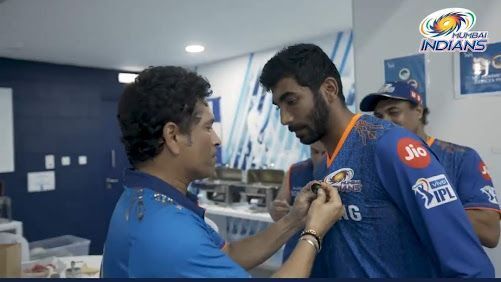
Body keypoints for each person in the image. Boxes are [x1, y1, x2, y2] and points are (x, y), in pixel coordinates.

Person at [259, 43, 494, 277]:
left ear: (329, 89)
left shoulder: (391, 146)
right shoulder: (323, 168)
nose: (284, 118)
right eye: (278, 106)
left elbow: (470, 266)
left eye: (291, 101)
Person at [101, 66, 344, 278]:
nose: (217, 140)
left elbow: (227, 255)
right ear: (173, 136)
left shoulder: (143, 200)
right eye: (208, 127)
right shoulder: (171, 234)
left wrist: (294, 220)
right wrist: (313, 232)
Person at [359, 81, 500, 248]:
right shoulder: (371, 160)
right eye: (379, 117)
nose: (385, 122)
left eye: (393, 112)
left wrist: (418, 204)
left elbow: (489, 232)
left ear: (418, 111)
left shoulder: (460, 158)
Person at [268, 142, 326, 262]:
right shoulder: (295, 170)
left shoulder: (345, 175)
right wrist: (276, 210)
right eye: (314, 152)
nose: (319, 159)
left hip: (329, 255)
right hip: (295, 252)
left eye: (325, 153)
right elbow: (278, 213)